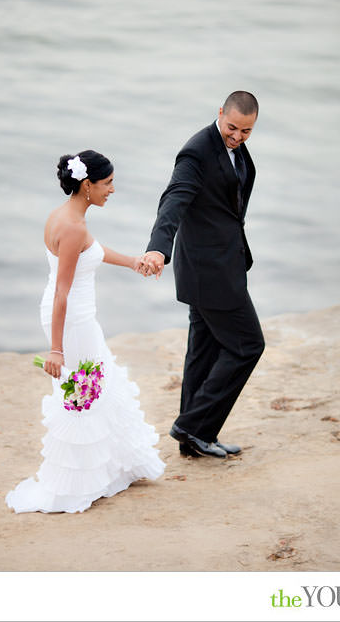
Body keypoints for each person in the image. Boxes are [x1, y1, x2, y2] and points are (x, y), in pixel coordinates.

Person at [6, 151, 165, 514]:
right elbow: (63, 290)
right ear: (87, 185)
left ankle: (101, 472)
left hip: (74, 317)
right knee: (82, 396)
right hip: (71, 321)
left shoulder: (64, 215)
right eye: (107, 183)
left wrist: (133, 262)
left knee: (97, 388)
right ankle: (72, 484)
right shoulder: (73, 226)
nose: (113, 189)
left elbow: (89, 252)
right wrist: (56, 350)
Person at [139, 91, 265, 459]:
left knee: (204, 349)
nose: (238, 137)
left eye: (246, 131)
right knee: (248, 345)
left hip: (220, 264)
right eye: (232, 128)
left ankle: (193, 438)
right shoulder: (196, 151)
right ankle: (193, 425)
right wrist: (158, 247)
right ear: (220, 113)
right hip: (210, 272)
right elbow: (174, 199)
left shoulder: (235, 149)